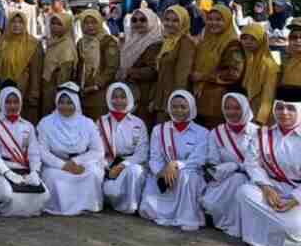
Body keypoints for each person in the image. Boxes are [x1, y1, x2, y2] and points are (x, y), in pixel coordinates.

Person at [237, 85, 301, 246]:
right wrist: (266, 188)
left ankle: (282, 231)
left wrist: (295, 199)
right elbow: (251, 163)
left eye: (290, 108)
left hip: (298, 194)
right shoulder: (263, 134)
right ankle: (270, 233)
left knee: (295, 225)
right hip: (273, 189)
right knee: (244, 191)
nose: (284, 113)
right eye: (279, 107)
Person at [139, 90, 208, 231]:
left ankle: (187, 217)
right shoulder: (159, 130)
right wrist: (161, 173)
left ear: (191, 108)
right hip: (164, 175)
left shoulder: (203, 132)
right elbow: (154, 157)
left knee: (187, 175)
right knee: (147, 209)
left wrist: (176, 164)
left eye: (183, 107)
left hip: (189, 175)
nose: (178, 111)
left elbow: (199, 159)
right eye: (174, 106)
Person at [37, 83, 104, 216]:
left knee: (93, 173)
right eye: (61, 102)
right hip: (55, 164)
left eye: (69, 102)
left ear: (76, 103)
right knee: (53, 177)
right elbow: (42, 151)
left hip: (81, 162)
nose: (65, 106)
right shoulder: (46, 123)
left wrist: (76, 162)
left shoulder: (87, 123)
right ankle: (60, 208)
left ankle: (88, 206)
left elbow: (98, 150)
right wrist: (63, 165)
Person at [0, 86, 49, 217]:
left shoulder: (28, 126)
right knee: (7, 194)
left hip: (23, 169)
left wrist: (35, 172)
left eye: (16, 102)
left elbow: (34, 154)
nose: (12, 106)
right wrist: (8, 173)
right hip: (3, 170)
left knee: (44, 195)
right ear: (2, 102)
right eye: (8, 102)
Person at [201, 90, 256, 236]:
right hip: (223, 177)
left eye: (237, 108)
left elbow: (258, 163)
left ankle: (234, 224)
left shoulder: (258, 132)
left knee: (239, 179)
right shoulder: (216, 133)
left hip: (251, 179)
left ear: (245, 108)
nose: (231, 112)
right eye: (227, 107)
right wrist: (218, 169)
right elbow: (213, 160)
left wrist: (236, 166)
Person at [98, 82, 150, 214]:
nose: (119, 101)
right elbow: (96, 149)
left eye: (123, 97)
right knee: (111, 192)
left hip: (129, 163)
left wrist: (122, 165)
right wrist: (106, 166)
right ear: (109, 99)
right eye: (115, 97)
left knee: (135, 171)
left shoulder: (138, 123)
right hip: (108, 164)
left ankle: (130, 207)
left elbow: (142, 153)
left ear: (129, 99)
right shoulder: (101, 122)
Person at [191, 4, 245, 128]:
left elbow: (234, 74)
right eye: (210, 19)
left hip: (217, 105)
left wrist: (203, 77)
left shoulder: (233, 44)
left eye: (218, 19)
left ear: (227, 21)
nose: (213, 23)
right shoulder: (206, 41)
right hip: (200, 101)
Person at [119, 7, 163, 129]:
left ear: (152, 21)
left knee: (141, 130)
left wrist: (129, 72)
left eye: (143, 20)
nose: (138, 23)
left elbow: (154, 71)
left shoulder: (156, 43)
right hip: (131, 94)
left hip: (145, 96)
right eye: (134, 20)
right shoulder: (131, 40)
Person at [0, 12, 43, 124]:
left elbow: (36, 71)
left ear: (25, 24)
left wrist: (34, 93)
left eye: (20, 22)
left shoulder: (33, 44)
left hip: (25, 91)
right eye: (13, 21)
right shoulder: (3, 41)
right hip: (5, 89)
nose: (16, 25)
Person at [153, 6, 195, 123]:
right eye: (167, 19)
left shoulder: (185, 42)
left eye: (175, 20)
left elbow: (182, 76)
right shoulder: (168, 41)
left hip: (174, 103)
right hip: (162, 99)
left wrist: (175, 104)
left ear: (184, 22)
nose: (169, 23)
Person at [75, 9, 119, 121]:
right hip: (84, 92)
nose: (90, 26)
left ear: (100, 22)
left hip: (101, 92)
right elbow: (79, 66)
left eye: (93, 22)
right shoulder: (81, 43)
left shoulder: (108, 41)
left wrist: (97, 85)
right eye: (86, 23)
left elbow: (111, 67)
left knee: (100, 126)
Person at [39, 13, 78, 118]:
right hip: (47, 88)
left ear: (67, 26)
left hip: (57, 92)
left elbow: (65, 76)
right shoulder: (52, 42)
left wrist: (58, 95)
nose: (55, 26)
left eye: (59, 24)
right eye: (53, 23)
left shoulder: (67, 46)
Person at [239, 22, 278, 125]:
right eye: (244, 38)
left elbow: (268, 97)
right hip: (248, 113)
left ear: (261, 40)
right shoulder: (249, 60)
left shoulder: (269, 65)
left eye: (253, 39)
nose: (248, 42)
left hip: (261, 118)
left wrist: (260, 120)